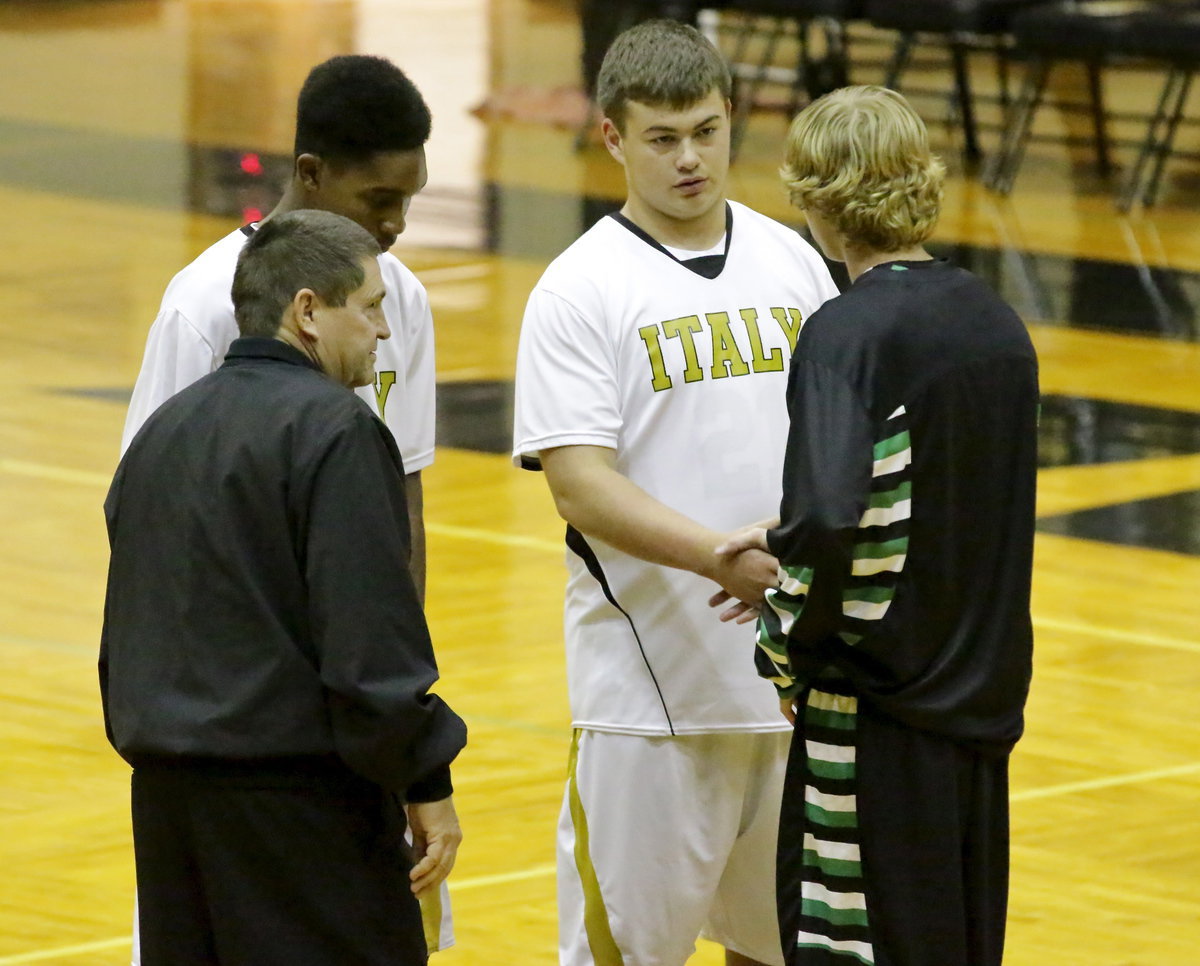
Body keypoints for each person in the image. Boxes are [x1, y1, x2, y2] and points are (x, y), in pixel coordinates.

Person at [512, 20, 840, 966]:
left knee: (783, 949)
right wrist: (719, 559)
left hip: (787, 687)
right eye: (662, 138)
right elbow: (578, 485)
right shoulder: (578, 290)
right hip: (647, 699)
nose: (690, 158)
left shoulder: (796, 265)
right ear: (613, 138)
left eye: (706, 130)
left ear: (733, 117)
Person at [121, 53, 456, 957]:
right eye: (378, 198)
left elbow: (404, 506)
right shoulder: (200, 306)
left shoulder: (400, 299)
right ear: (309, 175)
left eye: (411, 200)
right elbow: (152, 515)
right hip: (261, 744)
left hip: (349, 721)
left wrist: (397, 709)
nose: (394, 225)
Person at [715, 86, 1039, 966]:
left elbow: (829, 516)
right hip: (980, 709)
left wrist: (782, 645)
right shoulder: (996, 322)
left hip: (874, 713)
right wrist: (787, 531)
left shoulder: (845, 332)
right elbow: (937, 499)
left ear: (818, 198)